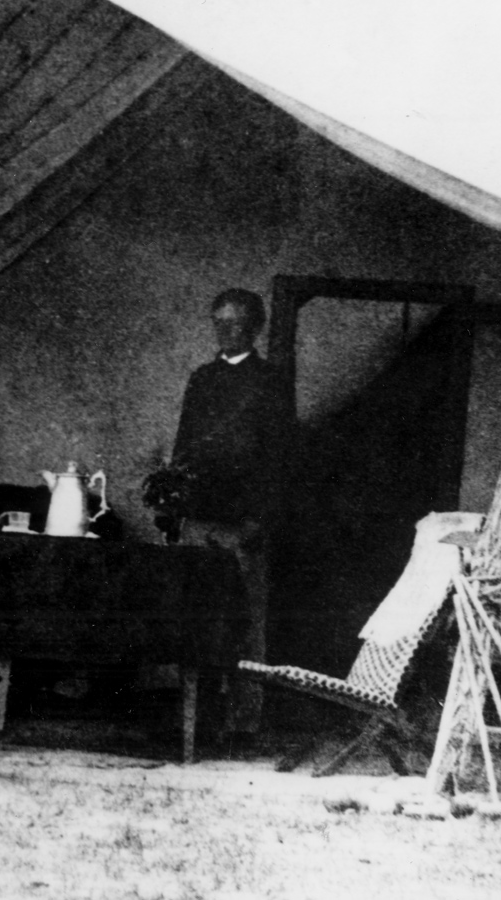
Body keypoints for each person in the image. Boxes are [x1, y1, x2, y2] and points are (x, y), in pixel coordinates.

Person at [169, 288, 293, 747]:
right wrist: (175, 504)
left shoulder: (271, 381)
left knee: (246, 622)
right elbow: (184, 445)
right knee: (195, 616)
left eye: (235, 322)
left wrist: (262, 518)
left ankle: (243, 723)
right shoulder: (202, 379)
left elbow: (281, 457)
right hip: (200, 518)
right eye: (218, 322)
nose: (226, 330)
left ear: (255, 327)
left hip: (244, 522)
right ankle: (195, 718)